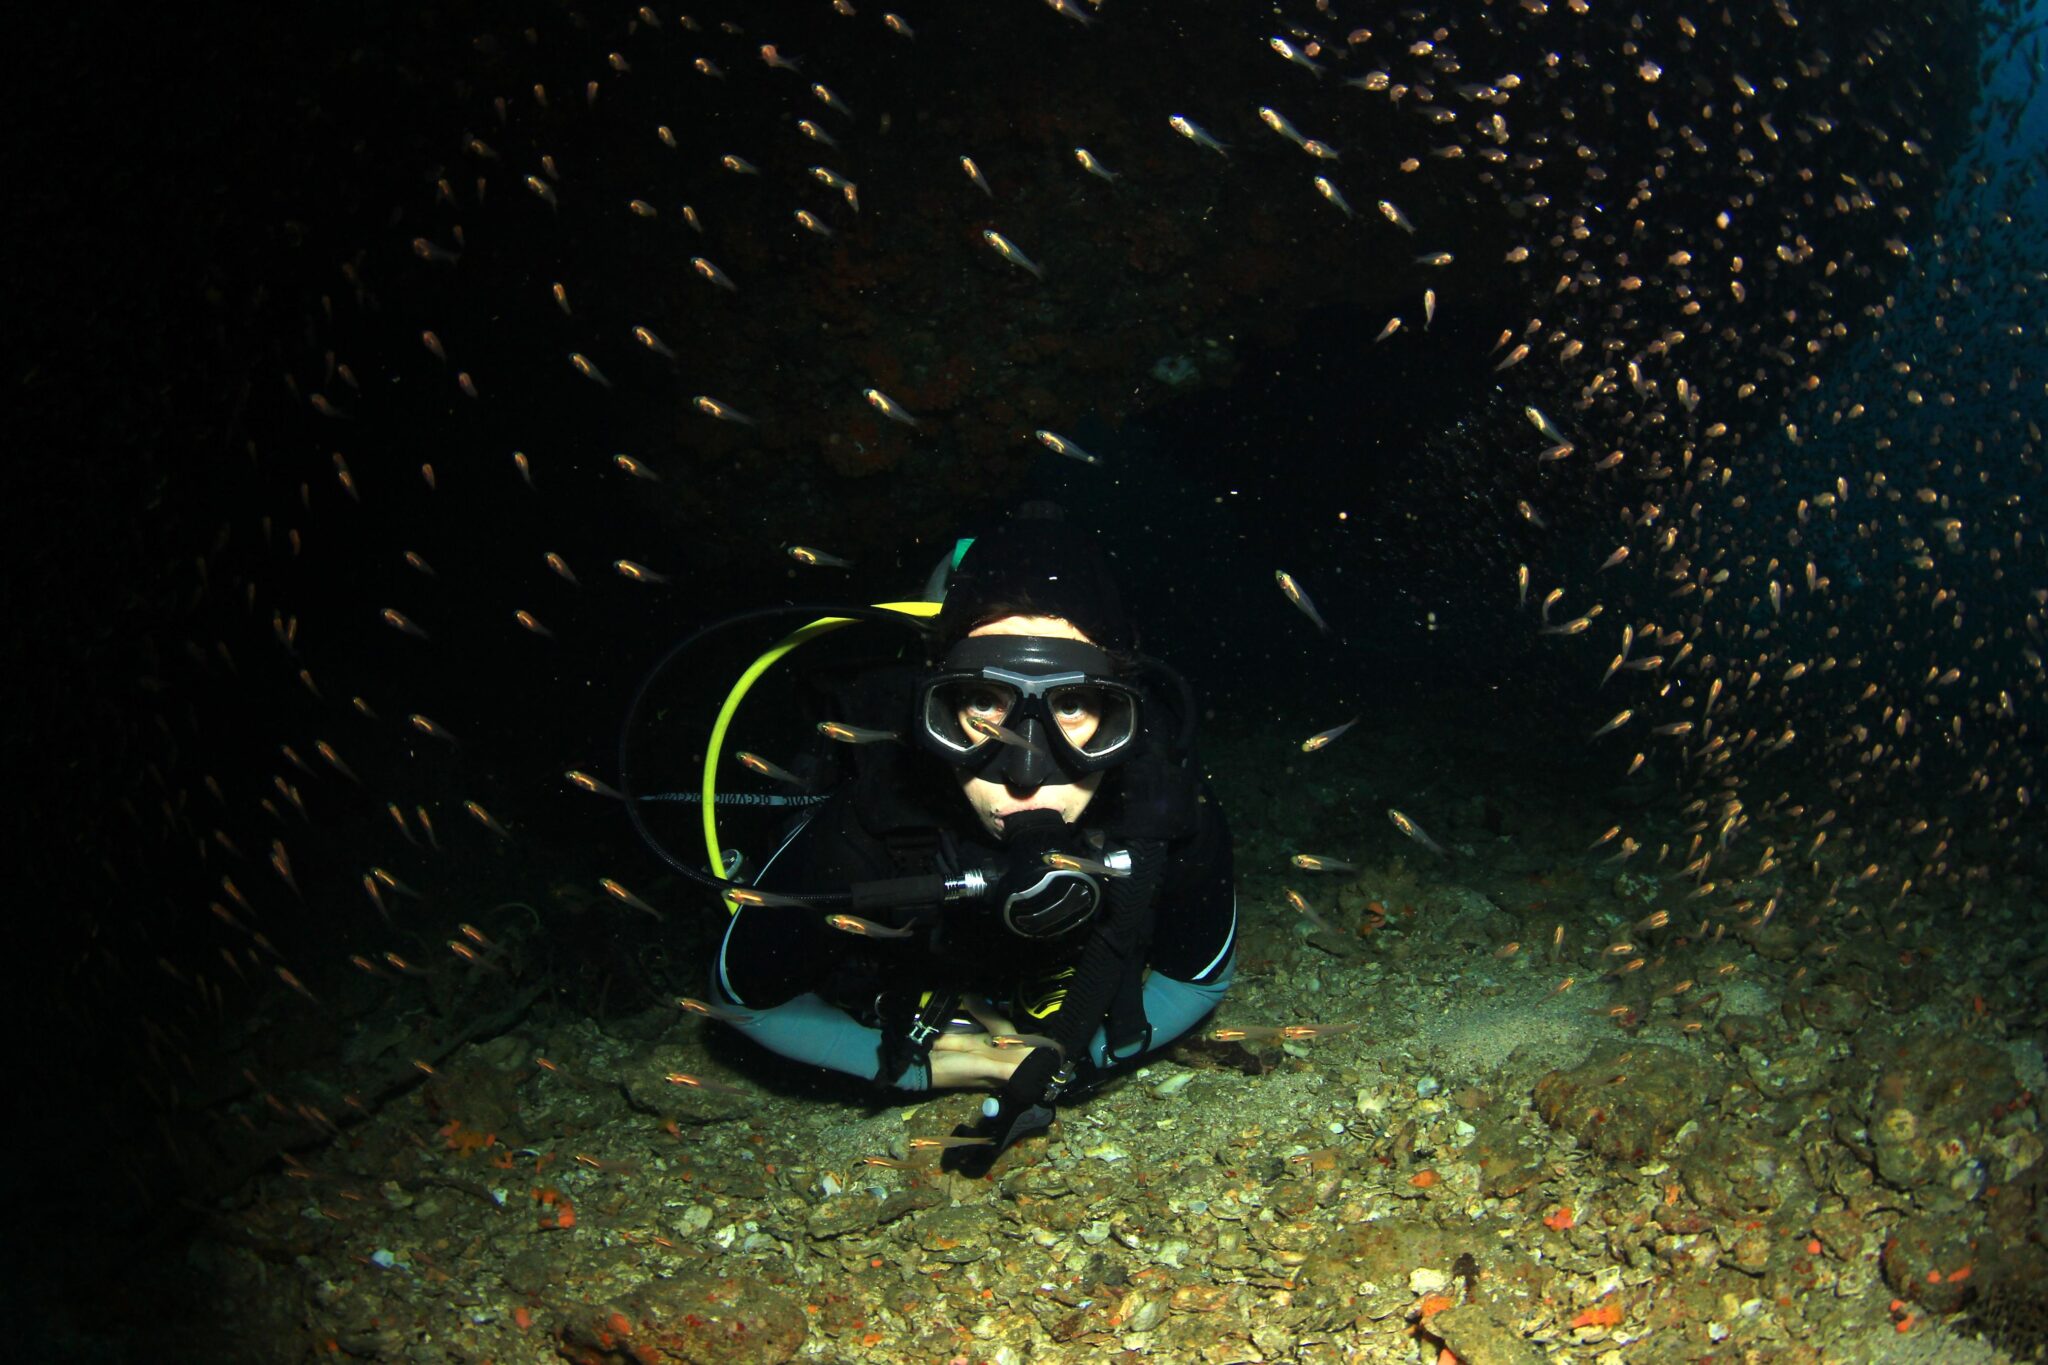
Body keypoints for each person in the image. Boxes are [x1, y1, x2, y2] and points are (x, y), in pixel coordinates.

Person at [704, 503, 1235, 1164]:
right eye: (984, 702)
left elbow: (1200, 979)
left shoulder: (1160, 808)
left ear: (1124, 716)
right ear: (934, 707)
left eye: (1072, 704)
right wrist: (929, 1064)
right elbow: (742, 999)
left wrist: (1077, 1051)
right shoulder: (875, 813)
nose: (1027, 773)